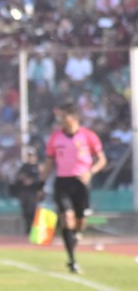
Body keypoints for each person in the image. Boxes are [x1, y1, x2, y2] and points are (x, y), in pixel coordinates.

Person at [43, 102, 106, 274]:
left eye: (64, 116)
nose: (61, 120)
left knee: (80, 221)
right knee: (67, 218)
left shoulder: (88, 136)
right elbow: (49, 163)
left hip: (81, 183)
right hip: (62, 182)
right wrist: (42, 184)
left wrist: (90, 172)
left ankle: (76, 235)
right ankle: (72, 260)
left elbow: (101, 160)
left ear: (74, 117)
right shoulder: (55, 138)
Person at [10, 147, 44, 236]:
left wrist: (33, 181)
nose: (31, 158)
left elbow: (42, 180)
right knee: (26, 211)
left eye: (32, 156)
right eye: (30, 156)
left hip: (33, 192)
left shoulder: (38, 167)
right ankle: (28, 229)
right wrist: (23, 179)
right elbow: (18, 177)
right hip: (24, 192)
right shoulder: (24, 166)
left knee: (32, 211)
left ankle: (33, 229)